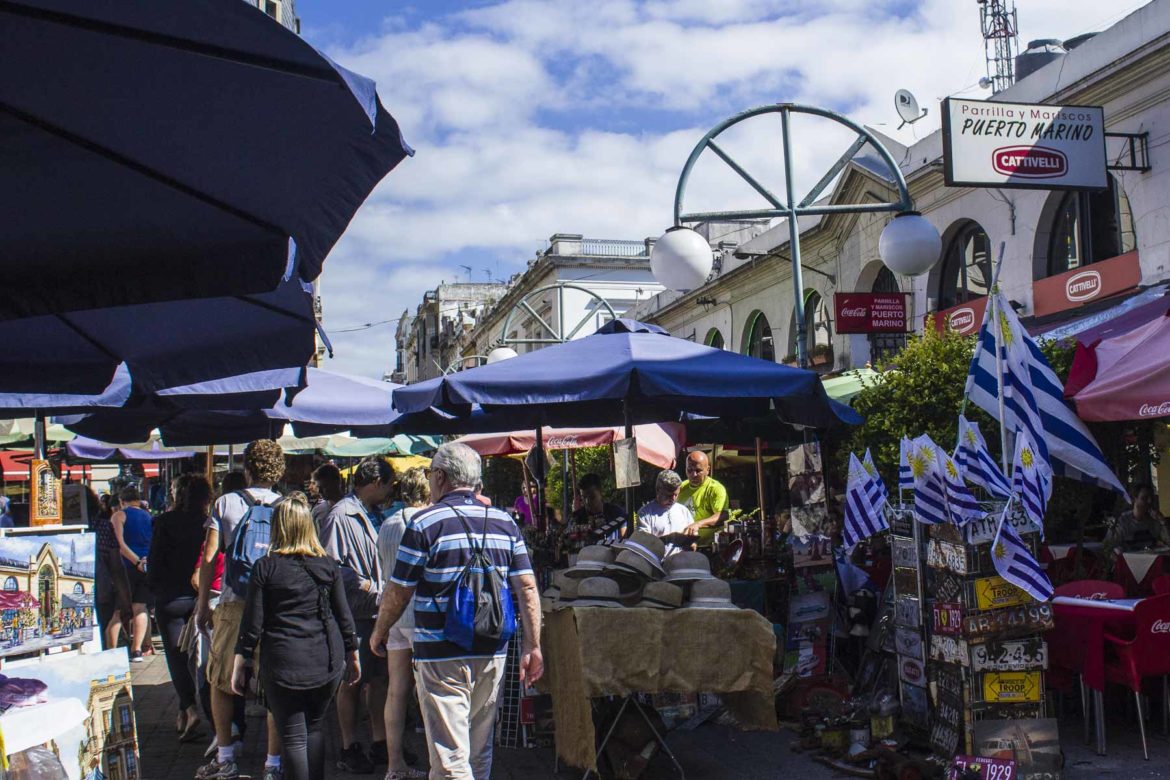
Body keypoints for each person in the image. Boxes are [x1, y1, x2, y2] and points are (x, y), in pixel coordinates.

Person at [371, 443, 543, 780]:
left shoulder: (424, 524)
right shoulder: (505, 524)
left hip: (441, 653)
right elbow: (527, 588)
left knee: (450, 758)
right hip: (492, 648)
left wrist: (380, 630)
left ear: (439, 477)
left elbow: (399, 590)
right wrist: (533, 645)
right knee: (478, 752)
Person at [233, 494, 361, 780]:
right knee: (315, 729)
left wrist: (240, 661)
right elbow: (344, 616)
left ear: (277, 527)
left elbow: (252, 623)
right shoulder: (328, 566)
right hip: (325, 660)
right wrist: (353, 654)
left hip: (282, 662)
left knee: (292, 736)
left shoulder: (265, 568)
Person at [195, 440, 286, 780]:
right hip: (274, 605)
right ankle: (273, 764)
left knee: (220, 680)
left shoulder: (226, 503)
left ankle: (225, 756)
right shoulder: (288, 506)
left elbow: (209, 557)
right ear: (279, 470)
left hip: (233, 602)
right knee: (274, 685)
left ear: (247, 468)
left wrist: (203, 604)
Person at [320, 457, 396, 774]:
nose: (392, 491)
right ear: (376, 483)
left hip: (377, 612)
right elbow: (329, 565)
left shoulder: (373, 513)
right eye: (390, 485)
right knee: (351, 681)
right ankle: (349, 745)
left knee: (379, 679)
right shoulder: (340, 515)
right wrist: (363, 583)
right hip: (355, 613)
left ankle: (380, 742)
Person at [375, 467, 430, 780]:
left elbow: (382, 569)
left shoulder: (387, 524)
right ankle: (440, 763)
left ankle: (394, 764)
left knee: (396, 690)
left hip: (393, 615)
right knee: (429, 691)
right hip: (422, 615)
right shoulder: (428, 521)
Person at [149, 474, 212, 742]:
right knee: (203, 658)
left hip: (171, 597)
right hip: (201, 595)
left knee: (176, 658)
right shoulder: (207, 524)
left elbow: (154, 563)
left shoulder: (164, 522)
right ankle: (189, 711)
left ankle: (189, 707)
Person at [111, 486, 153, 663]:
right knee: (140, 607)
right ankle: (137, 650)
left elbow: (119, 544)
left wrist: (135, 562)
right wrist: (144, 562)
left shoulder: (119, 516)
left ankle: (112, 651)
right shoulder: (148, 516)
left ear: (122, 501)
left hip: (127, 566)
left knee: (119, 610)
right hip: (146, 565)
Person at [636, 470, 694, 555]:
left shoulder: (683, 511)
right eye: (669, 495)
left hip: (681, 562)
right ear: (658, 490)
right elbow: (644, 544)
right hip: (657, 563)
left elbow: (693, 538)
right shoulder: (645, 513)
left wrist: (692, 544)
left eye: (676, 495)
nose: (673, 499)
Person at [1105, 483, 1170, 558]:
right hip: (1130, 562)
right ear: (1134, 499)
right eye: (1144, 498)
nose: (1149, 501)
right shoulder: (1123, 521)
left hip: (1151, 561)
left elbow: (1168, 542)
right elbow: (1108, 546)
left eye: (1151, 498)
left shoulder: (1154, 520)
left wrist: (1162, 521)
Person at [678, 451, 729, 542]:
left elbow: (723, 515)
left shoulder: (715, 488)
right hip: (683, 545)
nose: (693, 475)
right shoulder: (680, 487)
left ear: (708, 470)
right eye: (690, 470)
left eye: (698, 471)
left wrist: (698, 524)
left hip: (707, 546)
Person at [571, 473, 626, 545]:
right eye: (584, 497)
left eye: (592, 497)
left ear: (601, 492)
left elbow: (625, 541)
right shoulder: (577, 518)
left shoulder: (616, 513)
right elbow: (571, 547)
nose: (587, 502)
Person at [310, 463, 344, 532]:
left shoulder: (351, 509)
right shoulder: (317, 511)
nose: (320, 491)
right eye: (319, 487)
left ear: (334, 484)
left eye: (323, 487)